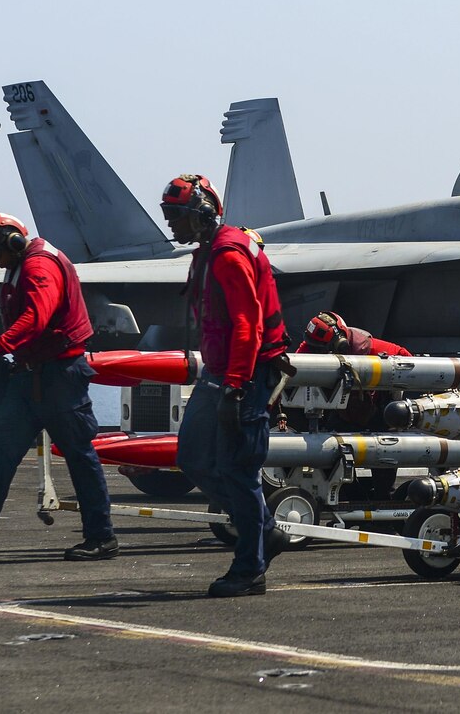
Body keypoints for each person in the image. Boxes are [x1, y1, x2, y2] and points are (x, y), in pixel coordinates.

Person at [0, 212, 117, 563]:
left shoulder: (38, 265)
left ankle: (102, 537)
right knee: (0, 448)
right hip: (32, 376)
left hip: (60, 376)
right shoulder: (20, 266)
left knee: (79, 455)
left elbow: (37, 317)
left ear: (14, 241)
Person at [164, 174, 291, 597]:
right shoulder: (209, 251)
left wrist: (236, 387)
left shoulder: (227, 254)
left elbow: (246, 324)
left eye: (175, 215)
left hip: (245, 375)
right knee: (193, 457)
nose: (170, 225)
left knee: (239, 470)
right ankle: (266, 531)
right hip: (219, 373)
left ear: (201, 214)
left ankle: (250, 567)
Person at [295, 311, 412, 499]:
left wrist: (392, 399)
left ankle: (384, 502)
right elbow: (297, 364)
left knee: (385, 453)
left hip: (373, 413)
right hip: (342, 412)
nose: (315, 352)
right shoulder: (313, 346)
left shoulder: (370, 348)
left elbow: (405, 358)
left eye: (319, 348)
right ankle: (357, 496)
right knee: (330, 456)